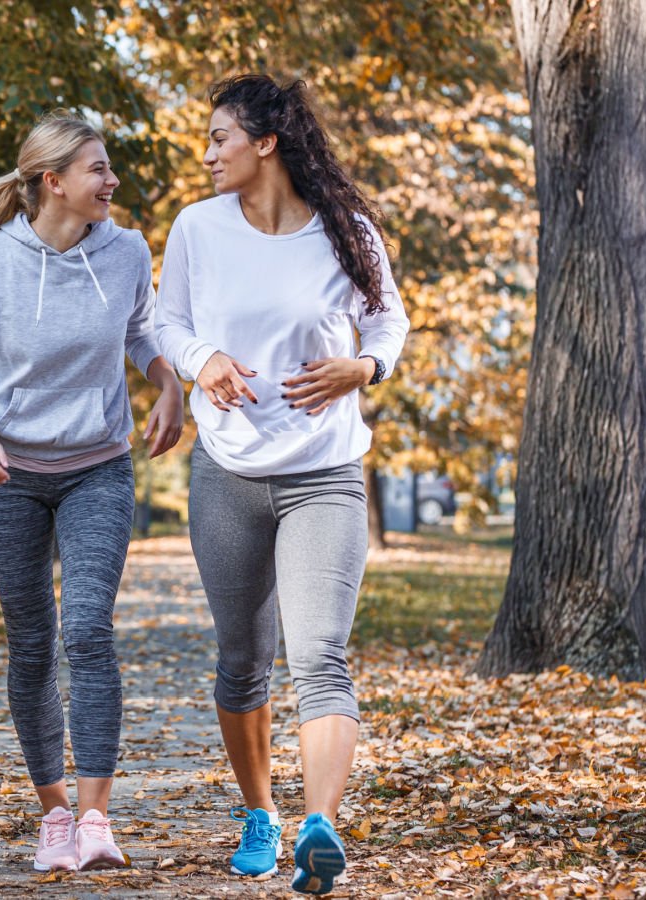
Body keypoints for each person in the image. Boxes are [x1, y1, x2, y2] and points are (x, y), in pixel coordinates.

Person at [154, 74, 410, 895]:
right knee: (242, 661)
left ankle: (319, 827)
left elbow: (389, 321)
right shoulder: (197, 227)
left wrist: (362, 368)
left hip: (325, 477)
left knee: (320, 656)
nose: (208, 153)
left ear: (265, 141)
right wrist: (205, 362)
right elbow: (169, 322)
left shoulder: (347, 232)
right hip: (229, 475)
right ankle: (260, 812)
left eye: (220, 137)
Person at [0, 113, 185, 873]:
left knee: (87, 630)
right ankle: (53, 814)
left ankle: (96, 817)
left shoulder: (128, 251)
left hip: (97, 467)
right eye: (98, 170)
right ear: (54, 182)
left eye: (109, 170)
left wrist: (167, 382)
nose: (112, 183)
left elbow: (142, 333)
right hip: (9, 474)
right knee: (32, 642)